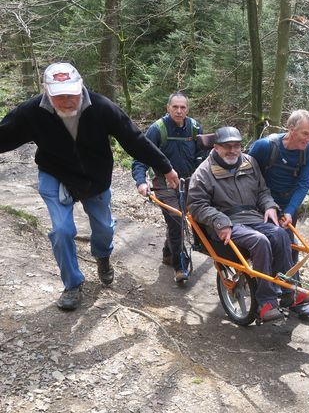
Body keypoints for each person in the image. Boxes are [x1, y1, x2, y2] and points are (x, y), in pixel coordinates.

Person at [0, 62, 179, 311]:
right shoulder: (31, 111)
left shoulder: (102, 107)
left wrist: (165, 166)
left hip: (95, 177)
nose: (67, 101)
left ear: (80, 87)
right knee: (62, 231)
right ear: (47, 92)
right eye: (59, 96)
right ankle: (72, 284)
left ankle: (102, 257)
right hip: (55, 174)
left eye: (71, 94)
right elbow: (5, 135)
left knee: (104, 229)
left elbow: (133, 139)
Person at [187, 126, 309, 322]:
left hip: (253, 217)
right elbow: (196, 205)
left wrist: (270, 206)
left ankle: (289, 290)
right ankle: (266, 301)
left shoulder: (249, 162)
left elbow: (262, 191)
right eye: (228, 146)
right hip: (226, 222)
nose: (233, 150)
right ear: (217, 147)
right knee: (259, 241)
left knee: (280, 234)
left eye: (237, 146)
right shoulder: (203, 172)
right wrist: (220, 221)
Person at [248, 109, 309, 318]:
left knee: (291, 247)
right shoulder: (265, 146)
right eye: (305, 133)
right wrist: (262, 204)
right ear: (290, 129)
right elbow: (248, 175)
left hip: (288, 204)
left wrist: (289, 211)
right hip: (262, 203)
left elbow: (304, 182)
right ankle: (272, 294)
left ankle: (292, 295)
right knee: (270, 245)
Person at [131, 92, 206, 282]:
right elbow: (141, 157)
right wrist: (141, 181)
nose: (179, 111)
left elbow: (203, 154)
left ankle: (167, 252)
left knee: (182, 221)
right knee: (176, 220)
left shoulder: (195, 127)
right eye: (175, 107)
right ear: (168, 108)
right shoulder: (157, 129)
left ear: (187, 109)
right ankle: (180, 267)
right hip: (163, 184)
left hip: (190, 183)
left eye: (183, 107)